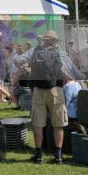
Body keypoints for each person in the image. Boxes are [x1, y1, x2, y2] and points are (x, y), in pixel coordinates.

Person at [21, 30, 67, 164]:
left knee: (37, 124)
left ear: (44, 40)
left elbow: (19, 61)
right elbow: (67, 72)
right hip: (56, 90)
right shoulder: (60, 53)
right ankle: (58, 156)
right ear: (55, 41)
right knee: (58, 124)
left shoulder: (35, 52)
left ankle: (39, 155)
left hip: (38, 91)